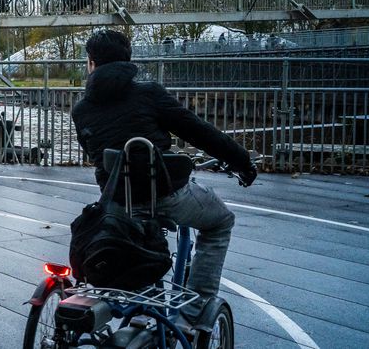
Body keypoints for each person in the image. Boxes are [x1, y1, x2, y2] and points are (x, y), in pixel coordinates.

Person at [71, 29, 256, 325]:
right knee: (220, 222)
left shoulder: (81, 110)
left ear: (91, 63)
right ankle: (194, 314)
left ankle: (135, 308)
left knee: (132, 231)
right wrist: (242, 161)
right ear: (127, 60)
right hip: (167, 194)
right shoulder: (148, 93)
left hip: (118, 203)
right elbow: (198, 131)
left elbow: (96, 158)